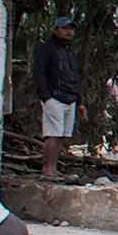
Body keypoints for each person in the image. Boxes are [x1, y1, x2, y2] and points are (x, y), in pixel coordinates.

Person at [34, 14, 80, 179]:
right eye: (65, 28)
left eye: (71, 29)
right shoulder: (45, 48)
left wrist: (79, 101)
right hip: (54, 97)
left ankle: (53, 168)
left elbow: (74, 75)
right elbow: (39, 73)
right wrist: (46, 96)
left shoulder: (69, 52)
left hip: (70, 97)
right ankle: (47, 169)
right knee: (52, 134)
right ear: (56, 29)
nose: (69, 32)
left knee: (61, 135)